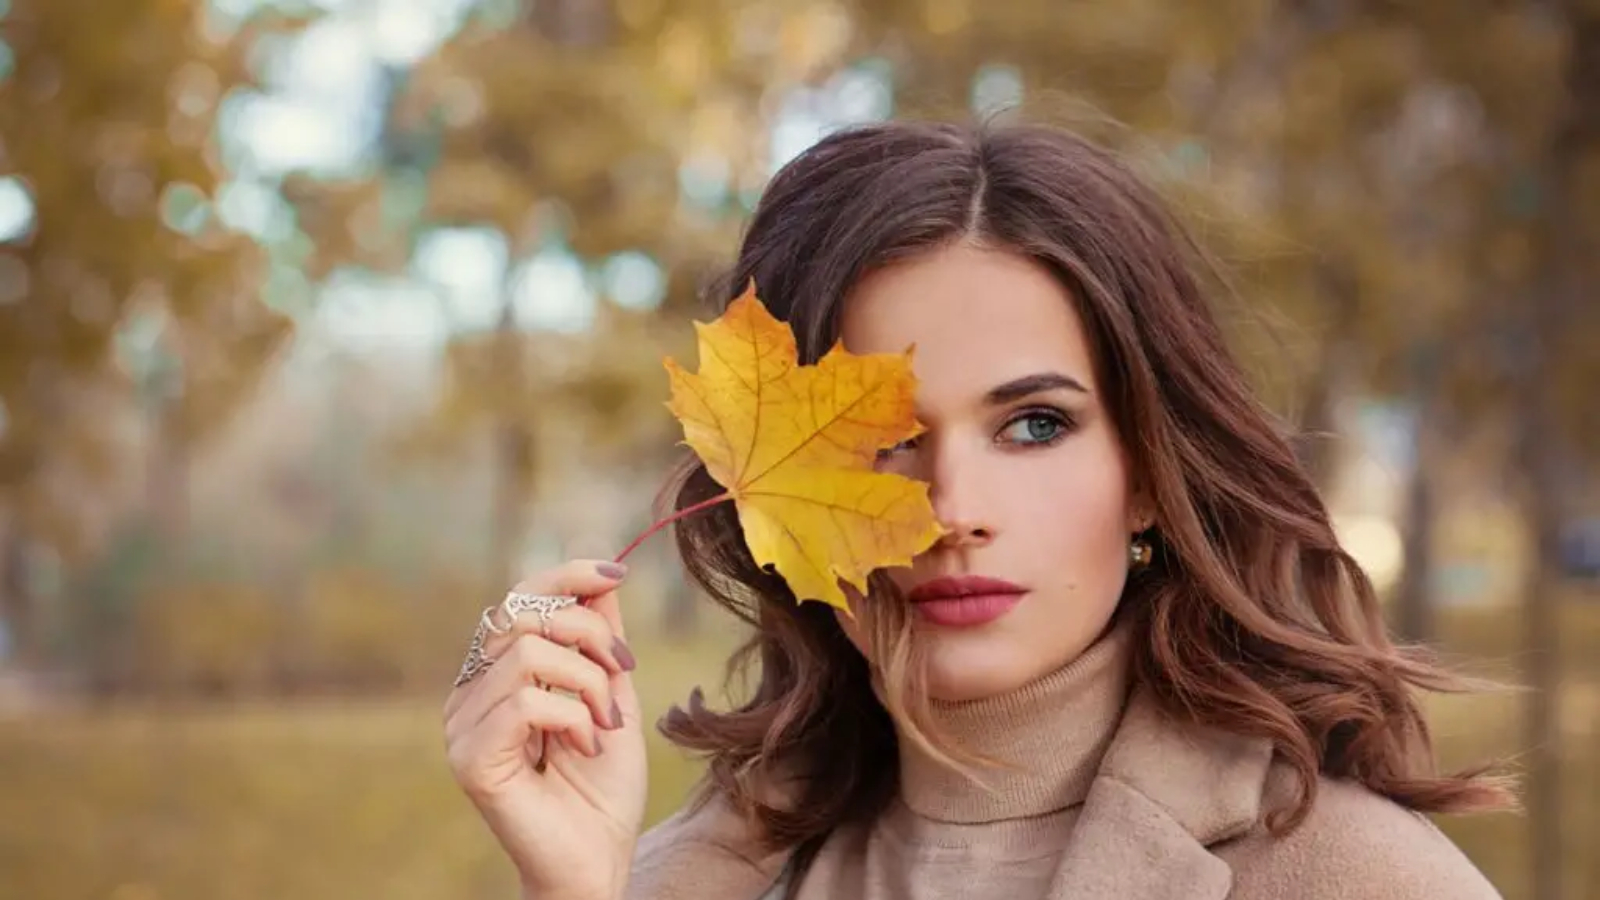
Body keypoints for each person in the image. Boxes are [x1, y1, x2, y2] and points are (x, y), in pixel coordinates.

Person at [442, 117, 1513, 900]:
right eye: (880, 442)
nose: (950, 510)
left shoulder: (1356, 880)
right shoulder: (681, 881)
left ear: (1147, 473)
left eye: (1035, 425)